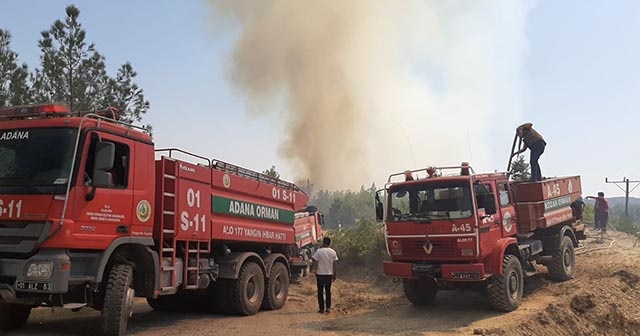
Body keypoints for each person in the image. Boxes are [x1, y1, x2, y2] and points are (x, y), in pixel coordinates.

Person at [311, 237, 338, 314]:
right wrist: (334, 274)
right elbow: (335, 264)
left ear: (323, 242)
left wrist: (314, 270)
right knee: (328, 291)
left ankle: (321, 308)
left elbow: (315, 261)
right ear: (330, 243)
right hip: (329, 274)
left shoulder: (318, 251)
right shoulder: (333, 252)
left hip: (320, 274)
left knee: (320, 291)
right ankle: (328, 308)